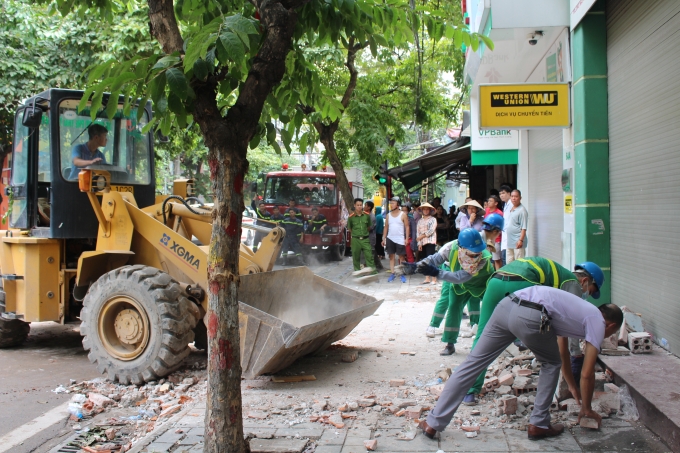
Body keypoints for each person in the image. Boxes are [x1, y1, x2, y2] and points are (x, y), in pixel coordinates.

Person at [419, 286, 623, 441]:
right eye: (611, 334)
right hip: (533, 313)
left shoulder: (580, 311)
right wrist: (586, 409)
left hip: (508, 305)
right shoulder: (597, 321)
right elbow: (587, 373)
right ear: (611, 326)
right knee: (550, 364)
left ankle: (433, 423)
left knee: (473, 362)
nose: (606, 337)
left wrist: (570, 385)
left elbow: (561, 350)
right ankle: (539, 424)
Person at [462, 259, 605, 405]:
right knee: (547, 352)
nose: (586, 295)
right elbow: (566, 342)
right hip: (522, 284)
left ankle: (469, 390)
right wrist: (576, 360)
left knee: (482, 337)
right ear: (585, 281)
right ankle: (541, 415)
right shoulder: (574, 284)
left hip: (495, 281)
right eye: (590, 291)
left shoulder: (559, 274)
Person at [416, 228, 493, 355]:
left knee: (494, 307)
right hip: (460, 286)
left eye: (478, 252)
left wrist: (436, 272)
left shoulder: (484, 257)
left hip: (481, 285)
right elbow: (434, 259)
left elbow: (460, 277)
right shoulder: (450, 248)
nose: (476, 255)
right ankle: (450, 344)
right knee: (453, 308)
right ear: (461, 248)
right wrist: (416, 266)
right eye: (472, 253)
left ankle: (514, 339)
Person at [382, 197, 410, 283]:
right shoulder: (388, 215)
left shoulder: (403, 215)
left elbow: (407, 226)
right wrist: (384, 238)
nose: (391, 205)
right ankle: (393, 273)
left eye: (393, 203)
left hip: (400, 239)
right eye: (390, 203)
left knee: (401, 257)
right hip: (390, 238)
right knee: (391, 256)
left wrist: (407, 238)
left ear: (398, 204)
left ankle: (401, 273)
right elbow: (386, 227)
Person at [347, 198, 376, 275]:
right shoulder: (351, 217)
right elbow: (350, 229)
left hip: (365, 239)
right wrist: (356, 234)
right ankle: (358, 273)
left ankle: (373, 273)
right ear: (354, 205)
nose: (359, 207)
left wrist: (363, 233)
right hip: (356, 240)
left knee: (369, 256)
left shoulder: (366, 216)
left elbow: (369, 227)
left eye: (360, 205)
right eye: (357, 205)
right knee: (356, 257)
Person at [416, 203, 437, 284]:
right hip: (422, 243)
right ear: (422, 211)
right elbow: (418, 233)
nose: (425, 210)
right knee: (424, 260)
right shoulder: (420, 221)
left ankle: (434, 278)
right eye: (424, 209)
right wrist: (419, 243)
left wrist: (421, 237)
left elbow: (431, 231)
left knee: (431, 259)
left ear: (430, 210)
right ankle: (427, 278)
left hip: (430, 241)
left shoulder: (433, 219)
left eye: (427, 209)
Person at [505, 190, 528, 263]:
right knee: (509, 263)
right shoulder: (511, 208)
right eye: (512, 196)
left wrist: (520, 240)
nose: (514, 198)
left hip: (518, 242)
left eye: (516, 196)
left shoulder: (522, 210)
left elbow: (524, 228)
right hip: (510, 242)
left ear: (520, 198)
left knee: (519, 263)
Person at [364, 200, 383, 270]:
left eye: (365, 205)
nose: (364, 207)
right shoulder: (364, 215)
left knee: (370, 254)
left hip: (370, 238)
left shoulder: (372, 217)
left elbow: (369, 228)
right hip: (365, 238)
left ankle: (371, 269)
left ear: (369, 207)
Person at [499, 184, 513, 265]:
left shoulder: (511, 204)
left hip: (510, 237)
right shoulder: (505, 205)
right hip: (505, 236)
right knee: (505, 259)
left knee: (507, 260)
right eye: (500, 194)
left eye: (503, 193)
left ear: (509, 193)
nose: (501, 195)